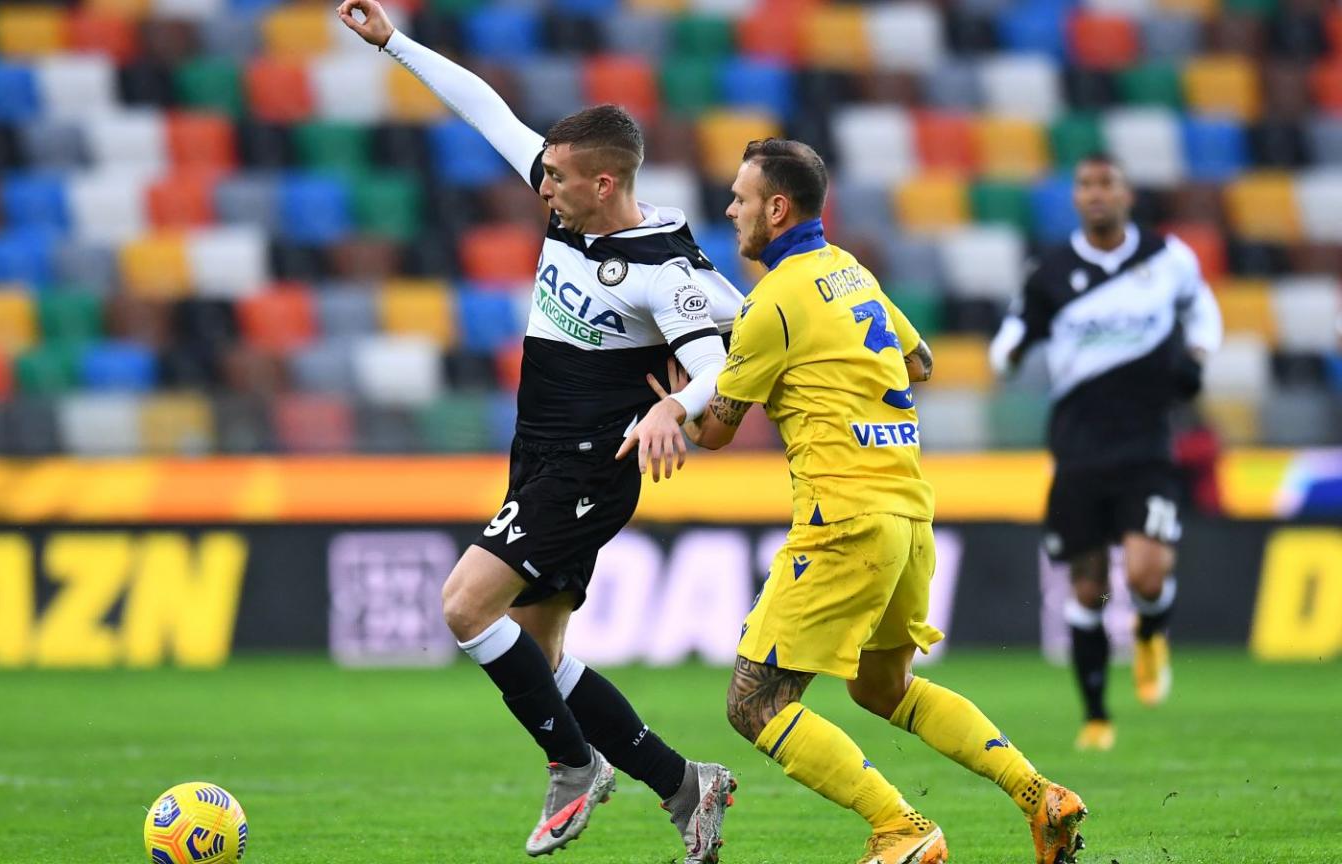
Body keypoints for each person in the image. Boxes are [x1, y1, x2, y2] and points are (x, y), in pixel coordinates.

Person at [337, 2, 741, 860]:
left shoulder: (668, 268)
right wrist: (394, 43)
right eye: (544, 172)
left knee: (463, 606)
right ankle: (685, 786)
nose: (541, 186)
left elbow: (726, 364)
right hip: (541, 457)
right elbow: (486, 109)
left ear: (605, 183)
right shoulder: (570, 209)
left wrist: (675, 404)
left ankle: (571, 764)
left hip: (593, 467)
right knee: (540, 651)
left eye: (557, 176)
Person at [635, 138, 1088, 864]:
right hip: (908, 512)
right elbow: (922, 361)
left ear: (776, 208)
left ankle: (902, 826)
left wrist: (675, 407)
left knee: (755, 705)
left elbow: (718, 430)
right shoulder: (850, 272)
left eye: (741, 198)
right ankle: (1041, 796)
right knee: (883, 687)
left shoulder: (772, 302)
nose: (731, 210)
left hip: (841, 519)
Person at [989, 154, 1222, 751]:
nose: (1096, 195)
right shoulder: (1051, 272)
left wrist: (1196, 356)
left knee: (1147, 571)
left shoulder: (1167, 260)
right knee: (1087, 586)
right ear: (1075, 198)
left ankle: (1149, 633)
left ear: (1127, 194)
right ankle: (1096, 715)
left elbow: (1203, 309)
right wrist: (1008, 356)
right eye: (1086, 185)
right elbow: (1013, 336)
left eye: (1107, 184)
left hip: (1146, 444)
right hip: (1078, 451)